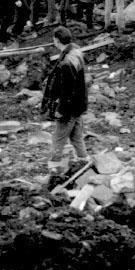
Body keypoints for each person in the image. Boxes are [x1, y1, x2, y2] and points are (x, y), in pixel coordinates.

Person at [41, 26, 89, 167]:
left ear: (56, 40)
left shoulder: (66, 63)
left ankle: (54, 168)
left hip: (69, 108)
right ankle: (84, 161)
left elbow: (67, 91)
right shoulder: (76, 53)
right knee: (76, 137)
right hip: (79, 105)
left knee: (58, 138)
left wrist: (60, 110)